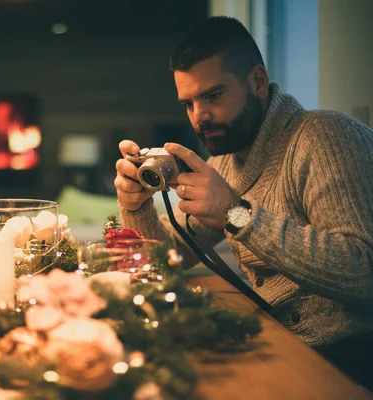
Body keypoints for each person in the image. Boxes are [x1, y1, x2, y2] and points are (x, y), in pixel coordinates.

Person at [114, 16, 373, 390]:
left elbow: (364, 270)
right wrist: (135, 205)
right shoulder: (225, 162)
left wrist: (236, 214)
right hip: (274, 338)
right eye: (188, 103)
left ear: (258, 81)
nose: (198, 116)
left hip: (343, 356)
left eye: (213, 96)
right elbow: (170, 258)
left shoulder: (326, 137)